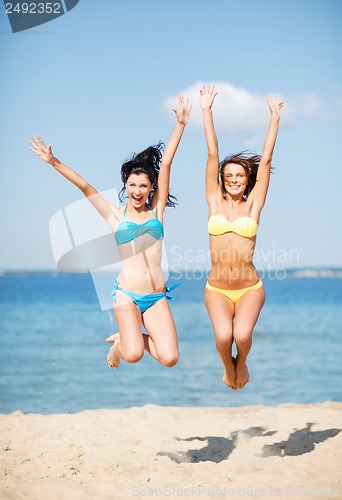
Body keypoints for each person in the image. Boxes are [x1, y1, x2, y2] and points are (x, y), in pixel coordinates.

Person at [29, 96, 192, 370]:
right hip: (127, 294)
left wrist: (181, 124)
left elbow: (166, 165)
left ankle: (129, 336)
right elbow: (85, 186)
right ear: (125, 185)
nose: (137, 191)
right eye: (132, 185)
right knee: (133, 355)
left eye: (143, 186)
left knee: (170, 358)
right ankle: (122, 345)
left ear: (151, 187)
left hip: (155, 296)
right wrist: (53, 161)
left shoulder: (157, 210)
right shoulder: (114, 214)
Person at [199, 85, 284, 391]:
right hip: (217, 289)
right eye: (228, 176)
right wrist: (207, 112)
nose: (234, 180)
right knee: (224, 337)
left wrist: (274, 119)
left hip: (249, 287)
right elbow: (212, 153)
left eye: (240, 176)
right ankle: (228, 367)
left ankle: (242, 362)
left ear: (247, 180)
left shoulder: (254, 205)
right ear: (222, 180)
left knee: (242, 337)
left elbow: (267, 160)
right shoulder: (213, 202)